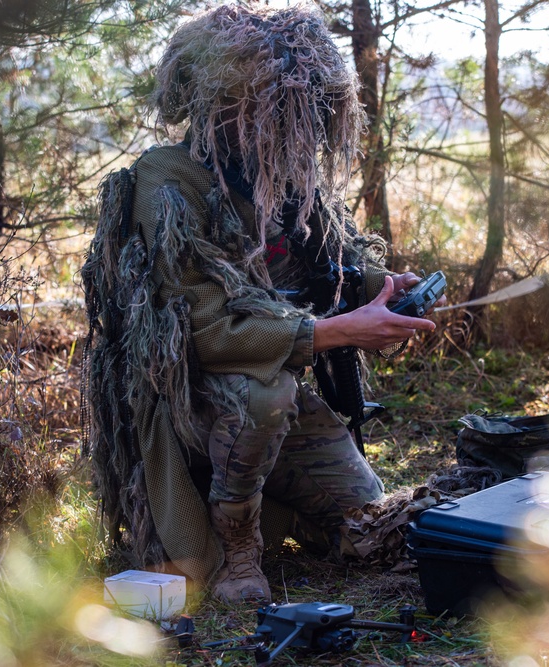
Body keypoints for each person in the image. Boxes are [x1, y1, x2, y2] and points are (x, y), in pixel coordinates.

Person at [81, 3, 440, 604]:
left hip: (272, 391)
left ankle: (283, 516)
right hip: (193, 399)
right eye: (274, 111)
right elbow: (206, 331)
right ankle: (238, 555)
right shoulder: (168, 182)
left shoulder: (284, 177)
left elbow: (329, 255)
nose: (290, 127)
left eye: (300, 113)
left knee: (365, 526)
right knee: (263, 395)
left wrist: (378, 286)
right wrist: (338, 332)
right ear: (223, 106)